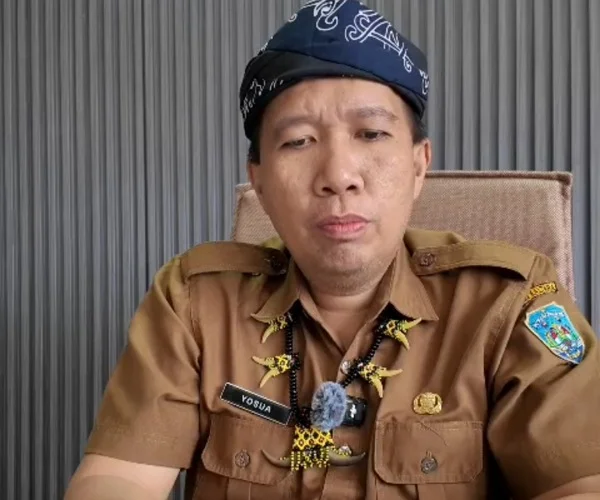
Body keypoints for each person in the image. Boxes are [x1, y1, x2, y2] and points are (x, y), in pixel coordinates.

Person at [64, 1, 600, 499]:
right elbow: (118, 476)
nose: (339, 175)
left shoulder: (511, 302)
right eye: (298, 141)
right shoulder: (194, 302)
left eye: (371, 134)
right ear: (260, 181)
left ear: (419, 165)